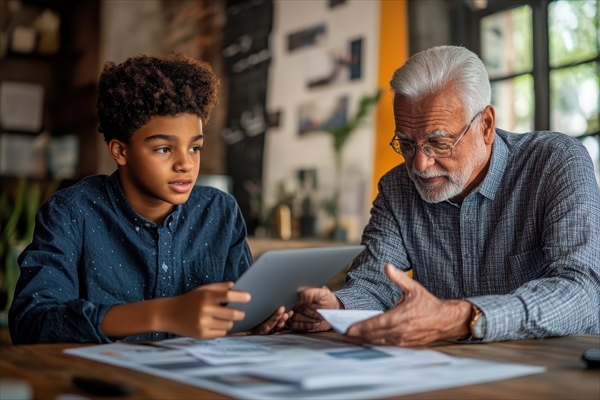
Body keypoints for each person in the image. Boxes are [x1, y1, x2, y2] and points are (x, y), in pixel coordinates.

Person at [290, 45, 600, 346]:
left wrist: (463, 318)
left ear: (486, 126)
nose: (420, 165)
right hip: (449, 369)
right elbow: (374, 286)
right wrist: (337, 310)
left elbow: (581, 292)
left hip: (557, 368)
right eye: (407, 144)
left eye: (438, 143)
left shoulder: (556, 162)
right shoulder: (398, 188)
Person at [9, 53, 288, 344]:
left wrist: (256, 324)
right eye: (164, 149)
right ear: (120, 151)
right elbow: (31, 323)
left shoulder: (220, 211)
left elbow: (238, 315)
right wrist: (162, 313)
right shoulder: (71, 213)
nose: (186, 164)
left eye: (195, 148)